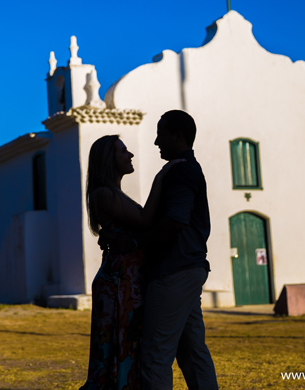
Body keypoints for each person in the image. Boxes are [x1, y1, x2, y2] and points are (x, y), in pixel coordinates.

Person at [80, 135, 182, 390]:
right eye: (123, 151)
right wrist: (161, 178)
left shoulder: (112, 194)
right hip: (119, 283)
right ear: (108, 160)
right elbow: (146, 219)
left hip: (125, 281)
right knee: (121, 348)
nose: (130, 155)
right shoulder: (104, 193)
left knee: (125, 348)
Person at [139, 110, 218, 390]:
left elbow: (175, 220)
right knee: (192, 352)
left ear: (178, 136)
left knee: (154, 356)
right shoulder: (185, 168)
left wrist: (137, 242)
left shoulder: (181, 169)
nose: (156, 142)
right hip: (189, 268)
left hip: (173, 271)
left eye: (161, 134)